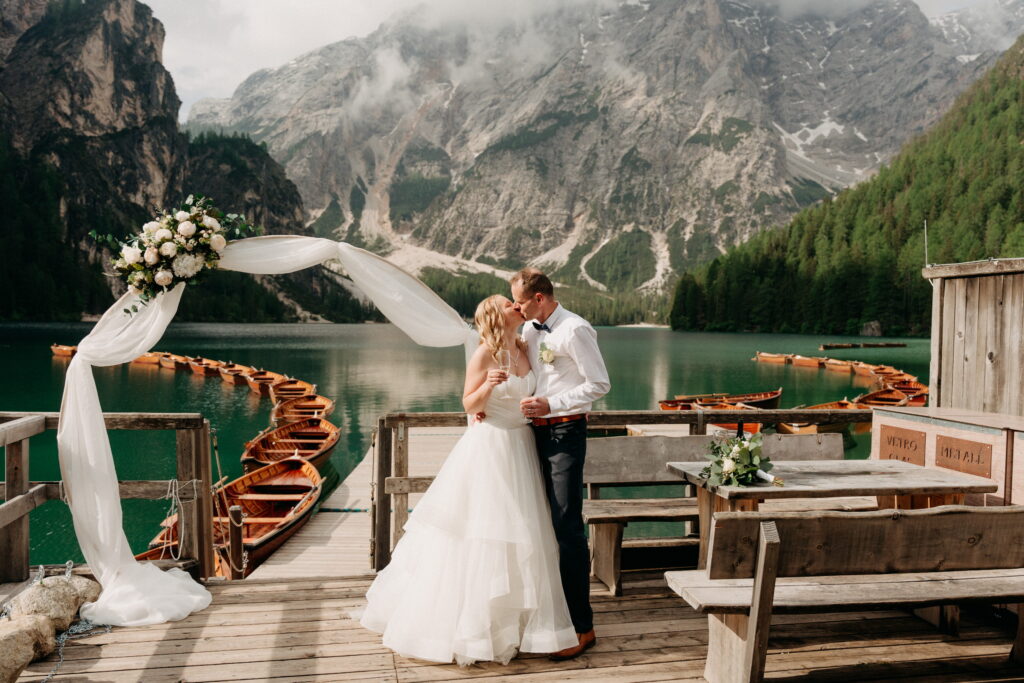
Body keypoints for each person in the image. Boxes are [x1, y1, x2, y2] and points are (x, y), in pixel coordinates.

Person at [360, 294, 578, 665]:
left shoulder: (526, 345)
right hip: (491, 447)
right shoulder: (484, 354)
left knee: (525, 532)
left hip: (522, 444)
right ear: (496, 315)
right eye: (508, 303)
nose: (515, 305)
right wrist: (489, 386)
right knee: (484, 533)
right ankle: (476, 629)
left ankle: (522, 624)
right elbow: (468, 405)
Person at [511, 268, 611, 661]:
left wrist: (553, 404)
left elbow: (599, 384)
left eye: (518, 299)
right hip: (532, 433)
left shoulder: (575, 329)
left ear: (539, 297)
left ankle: (583, 628)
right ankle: (549, 618)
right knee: (537, 523)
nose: (515, 307)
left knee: (567, 526)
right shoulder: (532, 330)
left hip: (565, 434)